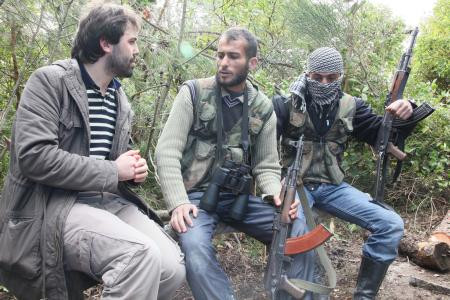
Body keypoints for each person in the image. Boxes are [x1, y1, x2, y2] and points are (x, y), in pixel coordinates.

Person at [0, 3, 185, 299]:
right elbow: (35, 158)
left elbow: (110, 162)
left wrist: (130, 171)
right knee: (139, 256)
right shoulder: (50, 82)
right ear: (105, 43)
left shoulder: (118, 99)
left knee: (171, 268)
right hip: (53, 205)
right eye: (132, 41)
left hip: (105, 201)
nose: (138, 50)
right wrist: (114, 170)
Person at [155, 27, 305, 300]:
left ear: (252, 62)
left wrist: (275, 193)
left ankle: (289, 292)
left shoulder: (262, 107)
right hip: (195, 201)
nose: (223, 63)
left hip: (239, 201)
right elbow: (166, 152)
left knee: (296, 224)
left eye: (233, 56)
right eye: (220, 55)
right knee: (196, 251)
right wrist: (177, 202)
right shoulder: (193, 93)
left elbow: (267, 165)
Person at [273, 47, 413, 299]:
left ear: (340, 76)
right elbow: (263, 149)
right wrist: (276, 182)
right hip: (296, 185)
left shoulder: (352, 106)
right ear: (307, 74)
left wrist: (405, 110)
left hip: (333, 187)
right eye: (317, 77)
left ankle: (364, 295)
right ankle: (302, 293)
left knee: (390, 223)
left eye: (331, 77)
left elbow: (382, 135)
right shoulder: (286, 104)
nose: (324, 83)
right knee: (297, 232)